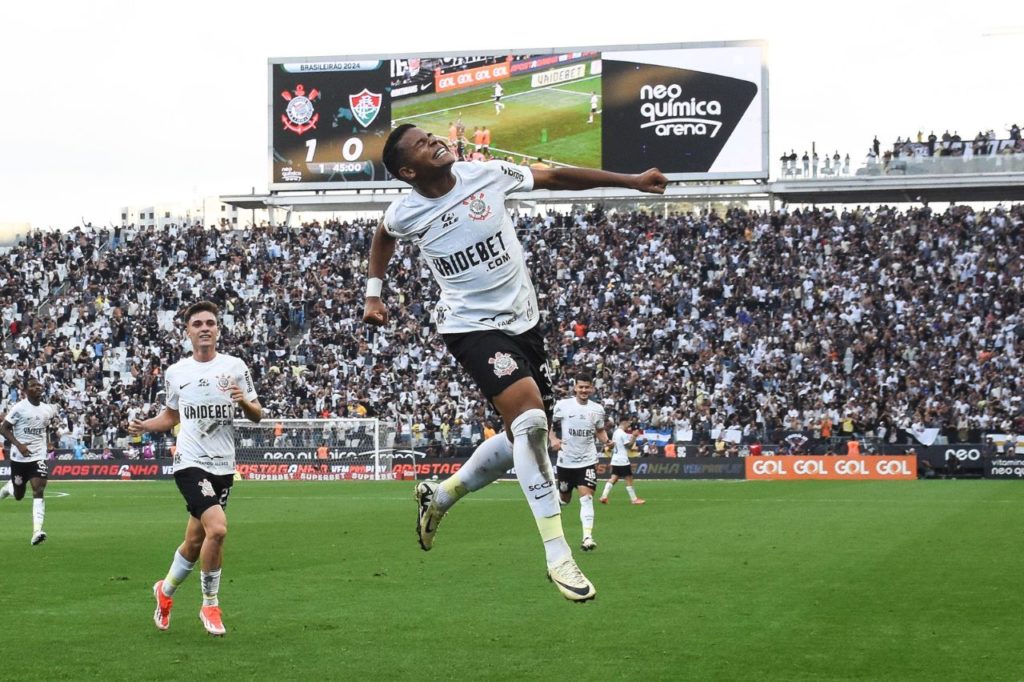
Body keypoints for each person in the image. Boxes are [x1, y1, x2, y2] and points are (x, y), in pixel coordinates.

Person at [364, 123, 666, 602]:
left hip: (526, 324)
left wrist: (630, 180)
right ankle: (557, 553)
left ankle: (440, 497)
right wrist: (374, 295)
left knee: (517, 438)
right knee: (530, 424)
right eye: (422, 144)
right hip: (470, 326)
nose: (436, 141)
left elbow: (555, 176)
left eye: (432, 135)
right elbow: (383, 236)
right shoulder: (405, 210)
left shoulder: (484, 174)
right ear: (408, 169)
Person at [129, 301, 261, 636]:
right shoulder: (177, 372)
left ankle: (165, 591)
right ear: (188, 331)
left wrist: (243, 401)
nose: (205, 328)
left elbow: (257, 413)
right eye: (198, 323)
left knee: (194, 540)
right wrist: (146, 424)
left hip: (223, 466)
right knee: (217, 529)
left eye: (210, 323)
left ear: (218, 329)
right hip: (189, 462)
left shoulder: (234, 367)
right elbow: (171, 417)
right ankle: (210, 604)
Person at [549, 372, 608, 551]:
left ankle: (587, 537)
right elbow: (550, 426)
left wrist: (607, 441)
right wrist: (553, 440)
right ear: (575, 387)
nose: (583, 390)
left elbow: (600, 430)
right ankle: (554, 504)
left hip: (587, 460)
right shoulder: (562, 406)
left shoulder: (597, 409)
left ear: (592, 388)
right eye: (580, 387)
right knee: (565, 499)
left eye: (587, 387)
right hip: (566, 461)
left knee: (587, 497)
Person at [0, 376, 60, 545]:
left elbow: (45, 427)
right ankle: (9, 487)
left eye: (39, 385)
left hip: (38, 456)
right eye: (33, 386)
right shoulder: (19, 408)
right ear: (25, 391)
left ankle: (37, 531)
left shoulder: (47, 409)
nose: (38, 387)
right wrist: (19, 445)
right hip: (19, 458)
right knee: (19, 495)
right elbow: (3, 428)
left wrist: (47, 441)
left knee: (38, 489)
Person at [599, 415, 646, 505]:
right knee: (629, 479)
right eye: (628, 422)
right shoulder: (622, 434)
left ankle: (603, 496)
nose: (629, 424)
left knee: (614, 478)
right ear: (624, 422)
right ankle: (634, 499)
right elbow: (628, 446)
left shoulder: (616, 432)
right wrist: (634, 436)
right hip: (622, 460)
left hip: (615, 459)